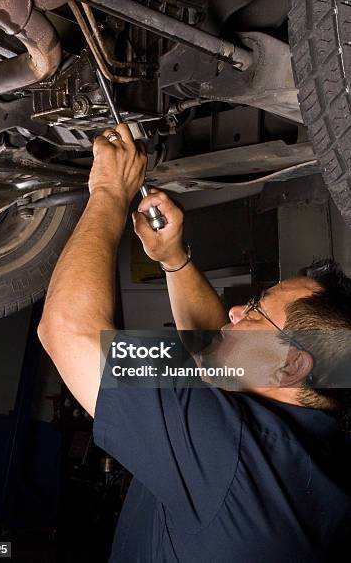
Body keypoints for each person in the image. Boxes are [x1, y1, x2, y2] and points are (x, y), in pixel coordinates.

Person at [38, 124, 351, 563]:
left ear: (293, 367)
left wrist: (109, 190)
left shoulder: (232, 455)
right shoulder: (316, 442)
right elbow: (221, 355)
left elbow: (67, 330)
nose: (236, 311)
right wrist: (173, 258)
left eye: (256, 311)